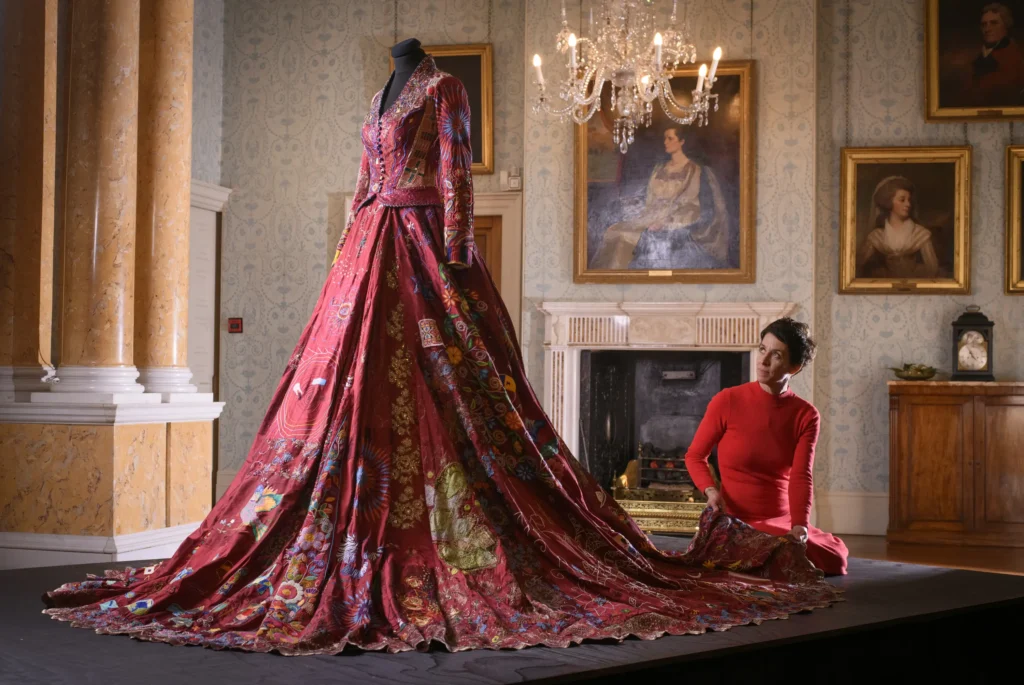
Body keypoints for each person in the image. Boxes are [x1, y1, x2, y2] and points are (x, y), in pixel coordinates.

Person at [42, 50, 840, 655]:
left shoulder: (443, 86)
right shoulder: (379, 93)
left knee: (452, 389)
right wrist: (352, 243)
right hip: (371, 241)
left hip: (423, 240)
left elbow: (456, 171)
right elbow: (366, 176)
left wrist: (455, 255)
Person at [684, 318, 849, 576]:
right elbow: (695, 456)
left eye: (776, 355)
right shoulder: (727, 400)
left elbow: (801, 476)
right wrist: (711, 492)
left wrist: (800, 526)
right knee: (759, 553)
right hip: (735, 520)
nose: (762, 361)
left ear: (794, 367)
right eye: (762, 349)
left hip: (779, 521)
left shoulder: (806, 415)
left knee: (834, 560)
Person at [590, 125, 729, 270]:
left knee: (625, 237)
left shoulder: (693, 169)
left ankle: (613, 279)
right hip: (650, 216)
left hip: (672, 219)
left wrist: (665, 222)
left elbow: (690, 205)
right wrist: (638, 209)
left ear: (681, 142)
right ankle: (604, 279)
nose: (666, 142)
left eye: (670, 138)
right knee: (614, 231)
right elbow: (649, 197)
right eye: (665, 138)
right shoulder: (660, 168)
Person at [856, 176, 941, 279]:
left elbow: (932, 268)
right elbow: (858, 265)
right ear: (888, 202)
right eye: (902, 200)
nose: (908, 204)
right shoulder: (877, 236)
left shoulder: (920, 233)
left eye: (909, 200)